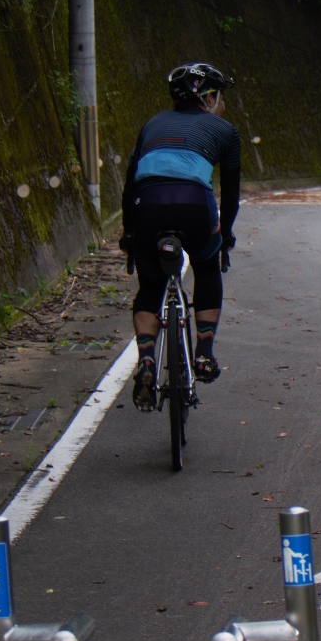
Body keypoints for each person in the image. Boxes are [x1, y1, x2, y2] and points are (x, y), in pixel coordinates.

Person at [120, 63, 240, 410]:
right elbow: (230, 194)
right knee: (205, 266)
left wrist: (130, 234)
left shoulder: (152, 124)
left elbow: (130, 186)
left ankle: (146, 358)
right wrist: (225, 237)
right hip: (194, 206)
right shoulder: (225, 130)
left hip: (147, 205)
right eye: (221, 96)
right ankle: (203, 353)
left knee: (151, 285)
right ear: (211, 97)